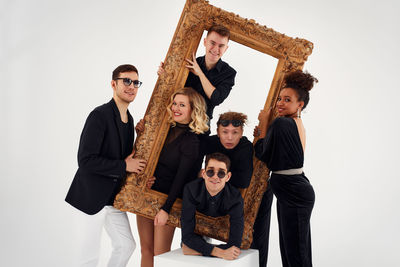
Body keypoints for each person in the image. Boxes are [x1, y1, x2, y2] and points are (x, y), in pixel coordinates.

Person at [65, 64, 147, 267]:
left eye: (136, 82)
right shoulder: (99, 115)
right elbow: (85, 161)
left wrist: (141, 137)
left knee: (126, 245)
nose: (131, 86)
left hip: (112, 199)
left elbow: (126, 159)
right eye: (126, 81)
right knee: (89, 257)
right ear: (113, 84)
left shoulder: (129, 121)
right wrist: (123, 166)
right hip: (89, 197)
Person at [136, 87, 209, 267]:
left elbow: (181, 179)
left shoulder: (192, 141)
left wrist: (166, 209)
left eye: (182, 105)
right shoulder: (164, 130)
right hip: (149, 194)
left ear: (193, 110)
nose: (175, 108)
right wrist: (141, 135)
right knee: (145, 249)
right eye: (175, 103)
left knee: (160, 255)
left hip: (168, 201)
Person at [253, 70, 318, 267]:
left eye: (287, 100)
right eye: (280, 98)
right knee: (293, 252)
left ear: (300, 104)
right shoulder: (294, 122)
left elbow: (263, 154)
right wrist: (265, 134)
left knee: (296, 255)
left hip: (293, 192)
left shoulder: (282, 123)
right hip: (292, 190)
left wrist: (264, 125)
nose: (280, 103)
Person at [158, 25, 236, 122]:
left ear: (226, 48)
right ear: (205, 42)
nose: (216, 49)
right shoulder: (188, 63)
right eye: (212, 43)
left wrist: (200, 73)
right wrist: (166, 76)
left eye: (221, 46)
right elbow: (176, 91)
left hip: (201, 126)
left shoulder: (229, 73)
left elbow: (216, 99)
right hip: (177, 120)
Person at [181, 152, 244, 260]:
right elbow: (187, 237)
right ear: (204, 173)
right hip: (198, 229)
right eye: (210, 172)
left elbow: (235, 244)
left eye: (221, 173)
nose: (215, 177)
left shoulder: (235, 198)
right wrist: (220, 252)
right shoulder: (191, 189)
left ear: (228, 177)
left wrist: (198, 249)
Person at [194, 111, 253, 189]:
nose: (230, 138)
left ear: (241, 133)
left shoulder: (245, 147)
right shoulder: (210, 142)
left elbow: (243, 182)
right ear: (218, 132)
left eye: (235, 132)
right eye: (225, 132)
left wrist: (213, 175)